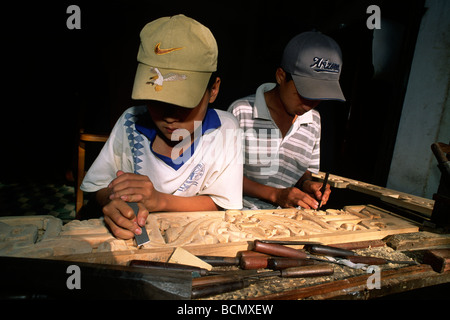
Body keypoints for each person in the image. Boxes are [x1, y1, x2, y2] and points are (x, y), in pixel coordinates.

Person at [81, 15, 243, 239]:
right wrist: (113, 200)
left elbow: (223, 205)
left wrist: (160, 200)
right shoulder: (130, 122)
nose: (169, 117)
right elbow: (97, 186)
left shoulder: (226, 129)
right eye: (156, 102)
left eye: (184, 103)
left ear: (213, 90)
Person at [228, 31, 345, 210]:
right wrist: (276, 194)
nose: (310, 104)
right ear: (281, 76)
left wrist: (307, 184)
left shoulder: (314, 120)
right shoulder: (241, 112)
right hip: (239, 217)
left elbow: (300, 170)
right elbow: (221, 177)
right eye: (305, 93)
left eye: (319, 96)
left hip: (287, 222)